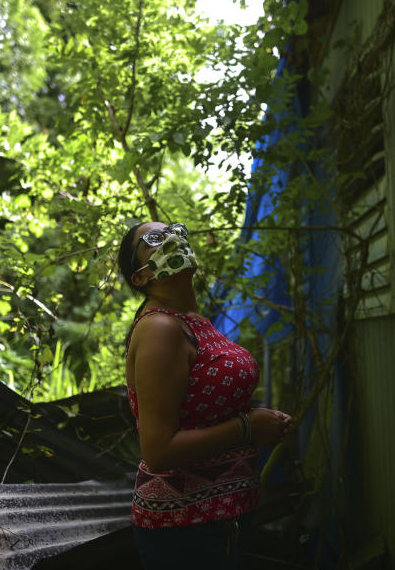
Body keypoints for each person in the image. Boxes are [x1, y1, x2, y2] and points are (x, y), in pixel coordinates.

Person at [117, 221, 292, 569]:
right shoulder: (160, 328)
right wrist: (249, 427)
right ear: (140, 277)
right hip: (185, 531)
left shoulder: (192, 320)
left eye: (175, 230)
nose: (170, 238)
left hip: (220, 519)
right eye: (153, 239)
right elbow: (158, 451)